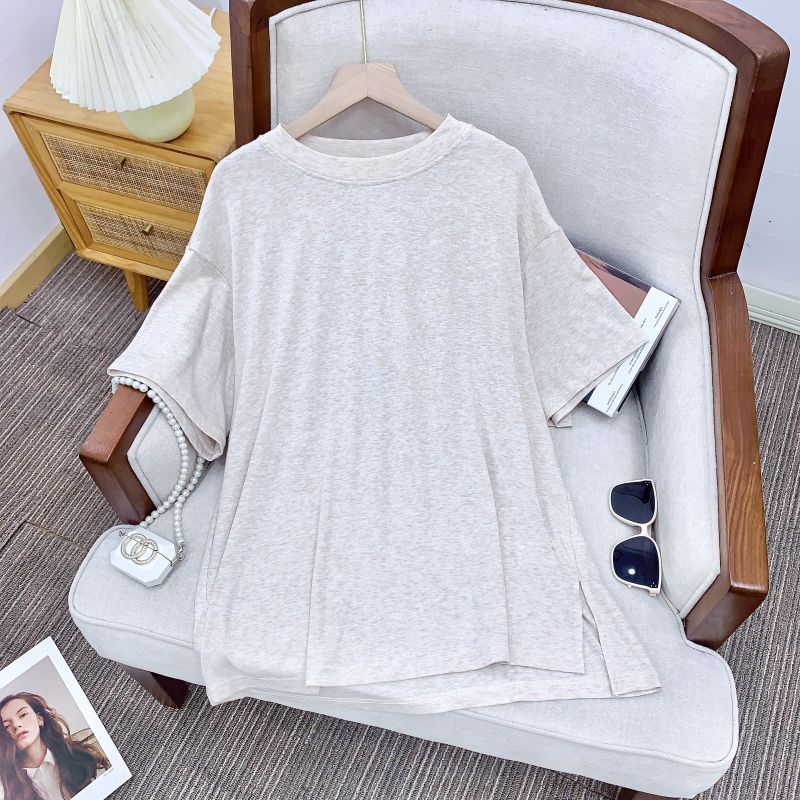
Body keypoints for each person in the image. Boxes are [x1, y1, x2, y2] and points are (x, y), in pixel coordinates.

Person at [0, 692, 110, 800]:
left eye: (23, 715)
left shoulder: (79, 758)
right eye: (7, 726)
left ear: (39, 719)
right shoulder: (6, 789)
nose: (16, 725)